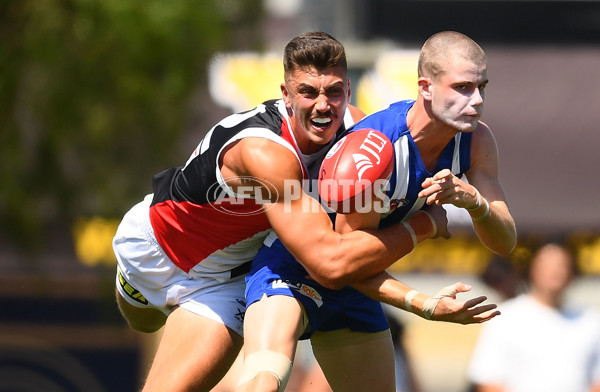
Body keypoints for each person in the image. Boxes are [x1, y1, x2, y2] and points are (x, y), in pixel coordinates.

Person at [112, 32, 481, 392]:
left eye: (334, 91)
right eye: (308, 92)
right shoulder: (264, 153)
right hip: (157, 250)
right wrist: (427, 225)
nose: (323, 105)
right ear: (286, 95)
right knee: (142, 322)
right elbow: (330, 263)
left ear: (348, 91)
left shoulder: (361, 141)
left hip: (225, 282)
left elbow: (353, 248)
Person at [238, 31, 516, 392]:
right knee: (264, 382)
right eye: (462, 87)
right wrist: (424, 298)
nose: (476, 100)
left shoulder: (476, 140)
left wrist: (474, 203)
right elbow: (340, 264)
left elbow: (504, 240)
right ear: (426, 87)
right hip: (291, 270)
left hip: (358, 286)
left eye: (482, 87)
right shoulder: (375, 149)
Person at [468, 243, 600, 392]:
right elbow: (488, 378)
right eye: (547, 267)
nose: (555, 273)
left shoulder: (589, 319)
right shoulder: (505, 318)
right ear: (533, 270)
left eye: (561, 266)